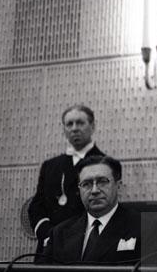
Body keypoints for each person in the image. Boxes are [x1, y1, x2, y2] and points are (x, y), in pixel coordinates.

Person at [41, 155, 157, 264]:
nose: (94, 190)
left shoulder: (145, 228)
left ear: (118, 186)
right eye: (86, 184)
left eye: (102, 182)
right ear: (79, 190)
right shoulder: (59, 233)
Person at [28, 104, 105, 259]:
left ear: (92, 126)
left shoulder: (105, 164)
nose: (74, 128)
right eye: (69, 124)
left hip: (83, 249)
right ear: (64, 129)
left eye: (80, 123)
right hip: (48, 248)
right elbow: (36, 205)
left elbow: (103, 208)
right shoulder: (50, 166)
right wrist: (46, 233)